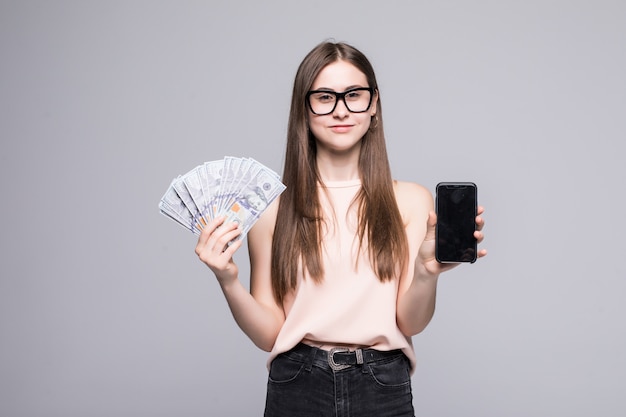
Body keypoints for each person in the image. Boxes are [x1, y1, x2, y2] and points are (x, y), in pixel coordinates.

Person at [195, 41, 486, 417]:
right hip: (296, 384)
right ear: (304, 107)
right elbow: (270, 333)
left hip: (383, 384)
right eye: (324, 97)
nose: (341, 110)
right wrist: (227, 279)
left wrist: (427, 273)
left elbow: (411, 322)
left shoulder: (411, 201)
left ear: (374, 104)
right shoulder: (270, 209)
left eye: (353, 95)